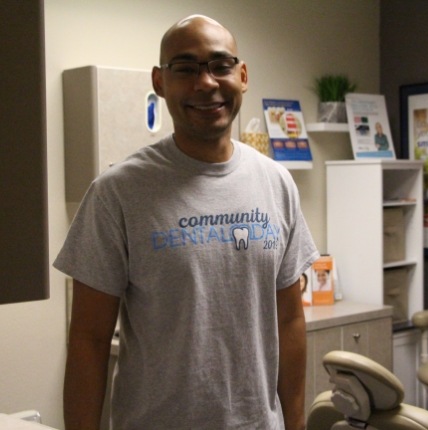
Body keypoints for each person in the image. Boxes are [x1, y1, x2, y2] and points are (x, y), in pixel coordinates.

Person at [55, 15, 319, 430]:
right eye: (186, 69)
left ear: (243, 75)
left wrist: (297, 423)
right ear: (160, 82)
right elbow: (88, 341)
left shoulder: (276, 183)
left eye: (220, 65)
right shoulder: (117, 193)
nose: (206, 83)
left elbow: (289, 320)